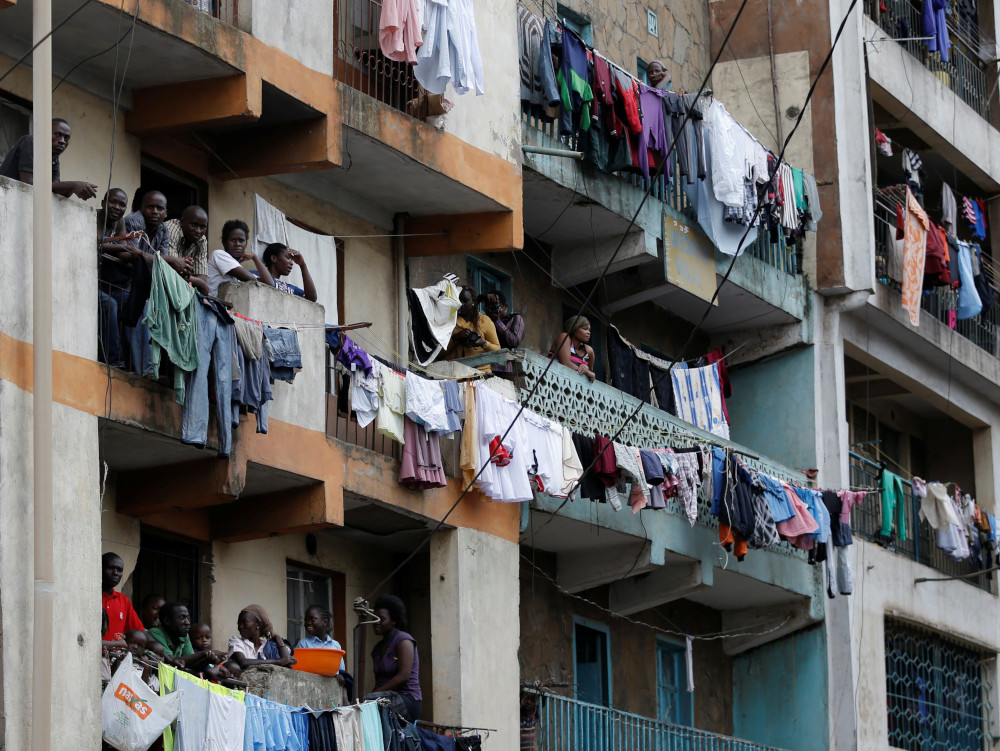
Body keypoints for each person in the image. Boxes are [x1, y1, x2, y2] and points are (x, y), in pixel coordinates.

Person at [0, 118, 98, 199]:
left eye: (66, 138)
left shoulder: (54, 156)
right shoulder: (31, 142)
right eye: (58, 135)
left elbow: (55, 188)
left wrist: (74, 189)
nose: (62, 141)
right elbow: (29, 184)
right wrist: (73, 185)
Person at [97, 188, 139, 369]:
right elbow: (97, 243)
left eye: (122, 204)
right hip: (91, 282)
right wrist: (127, 249)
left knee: (133, 302)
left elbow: (122, 249)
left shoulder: (120, 222)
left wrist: (132, 252)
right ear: (103, 203)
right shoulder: (94, 217)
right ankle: (114, 361)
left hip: (109, 282)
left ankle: (139, 365)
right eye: (113, 202)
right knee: (110, 305)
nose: (117, 207)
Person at [365, 595, 422, 722]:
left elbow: (404, 676)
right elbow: (379, 680)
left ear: (394, 620)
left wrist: (374, 695)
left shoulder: (404, 640)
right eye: (374, 619)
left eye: (382, 619)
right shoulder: (377, 648)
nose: (377, 623)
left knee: (368, 710)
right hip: (384, 697)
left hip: (407, 698)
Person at [147, 601, 226, 672]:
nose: (187, 622)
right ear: (167, 621)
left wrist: (208, 659)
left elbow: (191, 665)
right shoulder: (155, 633)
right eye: (182, 618)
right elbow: (173, 661)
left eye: (187, 618)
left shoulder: (184, 636)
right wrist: (205, 653)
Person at [207, 220, 275, 296]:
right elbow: (249, 278)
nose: (237, 244)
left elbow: (270, 283)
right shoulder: (218, 254)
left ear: (245, 244)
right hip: (211, 305)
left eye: (241, 240)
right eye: (233, 240)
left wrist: (255, 257)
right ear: (224, 242)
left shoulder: (237, 269)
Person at [444, 285, 500, 367]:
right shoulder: (450, 321)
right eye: (459, 301)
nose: (461, 304)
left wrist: (483, 343)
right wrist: (456, 338)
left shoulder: (485, 321)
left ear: (473, 301)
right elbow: (440, 354)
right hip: (455, 371)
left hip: (480, 371)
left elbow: (498, 350)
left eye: (465, 301)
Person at [227, 604, 296, 670]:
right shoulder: (236, 641)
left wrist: (277, 637)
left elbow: (287, 663)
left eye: (245, 622)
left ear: (258, 625)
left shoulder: (267, 646)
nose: (240, 626)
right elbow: (243, 662)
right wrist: (278, 662)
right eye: (239, 623)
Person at [163, 205, 210, 293]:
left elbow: (202, 277)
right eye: (194, 225)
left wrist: (200, 282)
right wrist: (200, 283)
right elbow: (172, 272)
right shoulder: (171, 229)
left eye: (202, 227)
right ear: (181, 222)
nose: (198, 231)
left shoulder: (202, 240)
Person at [102, 552, 143, 640]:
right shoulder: (89, 597)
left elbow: (138, 630)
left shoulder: (123, 600)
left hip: (115, 653)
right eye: (110, 568)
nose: (115, 573)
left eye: (119, 570)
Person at [294, 605, 347, 673]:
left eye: (313, 619)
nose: (308, 623)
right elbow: (299, 670)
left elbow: (341, 671)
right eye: (306, 620)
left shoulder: (335, 645)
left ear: (325, 622)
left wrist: (339, 676)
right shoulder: (304, 644)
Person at [550, 315, 597, 381]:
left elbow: (590, 377)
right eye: (585, 329)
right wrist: (586, 371)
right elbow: (565, 363)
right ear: (575, 329)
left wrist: (586, 369)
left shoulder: (589, 351)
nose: (589, 332)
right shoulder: (564, 337)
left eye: (589, 330)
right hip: (553, 380)